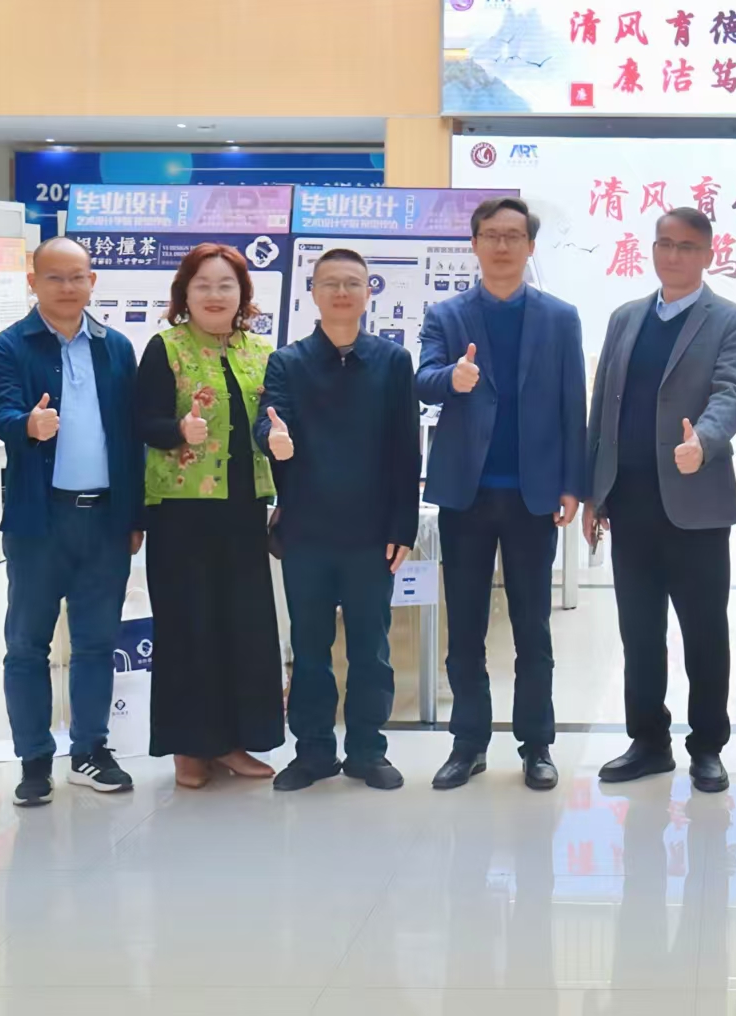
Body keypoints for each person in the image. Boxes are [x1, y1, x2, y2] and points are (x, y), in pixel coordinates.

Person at [584, 208, 736, 794]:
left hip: (695, 505)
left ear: (708, 254)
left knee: (704, 633)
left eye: (686, 246)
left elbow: (732, 392)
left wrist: (703, 441)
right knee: (639, 633)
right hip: (629, 502)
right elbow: (603, 408)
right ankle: (648, 741)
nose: (673, 255)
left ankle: (707, 746)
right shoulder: (625, 317)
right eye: (664, 244)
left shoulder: (731, 320)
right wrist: (594, 491)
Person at [418, 196, 587, 792]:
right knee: (465, 627)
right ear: (474, 243)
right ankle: (468, 744)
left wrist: (573, 483)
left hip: (532, 495)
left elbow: (573, 403)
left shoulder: (560, 317)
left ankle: (537, 744)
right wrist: (453, 378)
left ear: (530, 246)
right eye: (491, 234)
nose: (502, 245)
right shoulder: (446, 314)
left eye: (514, 236)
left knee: (531, 627)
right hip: (465, 494)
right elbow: (424, 379)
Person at [0, 236, 144, 807]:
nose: (68, 287)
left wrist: (133, 514)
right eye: (54, 277)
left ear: (92, 282)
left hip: (105, 519)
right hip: (39, 520)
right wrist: (27, 425)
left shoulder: (116, 347)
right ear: (33, 282)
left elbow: (129, 437)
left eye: (78, 277)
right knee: (27, 644)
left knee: (97, 642)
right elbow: (0, 411)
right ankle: (33, 760)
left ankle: (90, 751)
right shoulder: (7, 347)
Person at [256, 248, 421, 793]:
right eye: (331, 283)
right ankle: (313, 752)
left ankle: (368, 750)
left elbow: (406, 448)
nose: (342, 292)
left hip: (372, 534)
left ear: (369, 291)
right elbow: (268, 421)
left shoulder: (393, 362)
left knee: (371, 647)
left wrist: (402, 526)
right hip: (307, 531)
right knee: (309, 649)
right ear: (314, 293)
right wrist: (273, 438)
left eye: (353, 282)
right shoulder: (288, 362)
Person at [137, 242, 284, 790]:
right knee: (189, 626)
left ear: (243, 294)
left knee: (241, 626)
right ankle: (188, 748)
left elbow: (276, 424)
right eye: (203, 285)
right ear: (185, 294)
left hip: (244, 511)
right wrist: (178, 430)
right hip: (182, 514)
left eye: (226, 285)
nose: (215, 295)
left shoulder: (261, 352)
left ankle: (232, 742)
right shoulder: (166, 348)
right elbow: (142, 421)